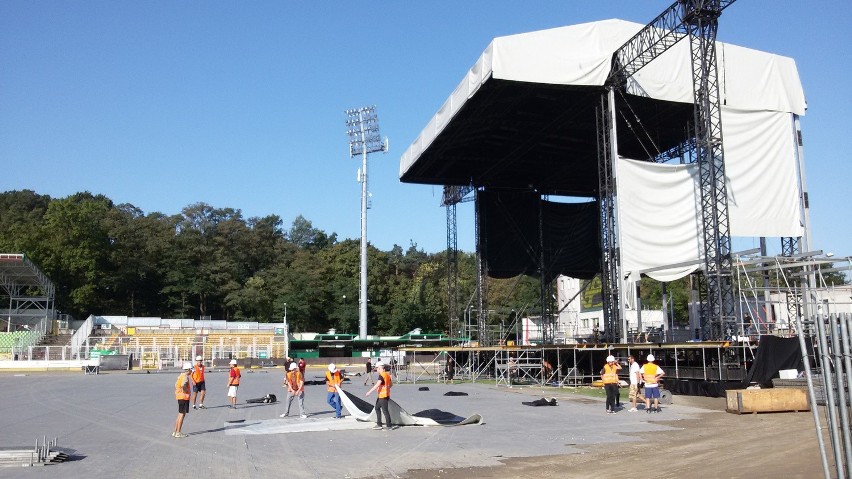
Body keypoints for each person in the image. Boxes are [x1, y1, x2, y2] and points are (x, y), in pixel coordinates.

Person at [366, 361, 393, 430]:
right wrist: (386, 388)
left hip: (382, 396)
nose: (376, 370)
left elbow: (377, 384)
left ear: (379, 368)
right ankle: (379, 424)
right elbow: (391, 385)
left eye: (377, 369)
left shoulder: (381, 375)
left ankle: (389, 426)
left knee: (385, 411)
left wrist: (369, 392)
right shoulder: (387, 375)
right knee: (377, 408)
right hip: (385, 395)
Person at [173, 362, 192, 438]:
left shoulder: (180, 376)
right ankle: (178, 432)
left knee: (179, 414)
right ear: (188, 370)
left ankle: (175, 431)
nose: (191, 372)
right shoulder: (185, 377)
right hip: (184, 397)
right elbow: (183, 385)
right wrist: (186, 390)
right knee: (182, 414)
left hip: (179, 397)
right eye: (191, 370)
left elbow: (176, 385)